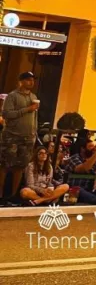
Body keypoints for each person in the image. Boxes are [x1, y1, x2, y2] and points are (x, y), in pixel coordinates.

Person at [1, 72, 40, 203]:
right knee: (5, 165)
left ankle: (13, 195)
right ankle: (0, 195)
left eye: (33, 80)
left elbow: (33, 117)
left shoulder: (34, 96)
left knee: (20, 166)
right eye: (28, 80)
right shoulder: (12, 96)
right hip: (12, 135)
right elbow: (7, 114)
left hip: (28, 137)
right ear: (21, 81)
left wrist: (34, 132)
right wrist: (28, 109)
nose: (31, 82)